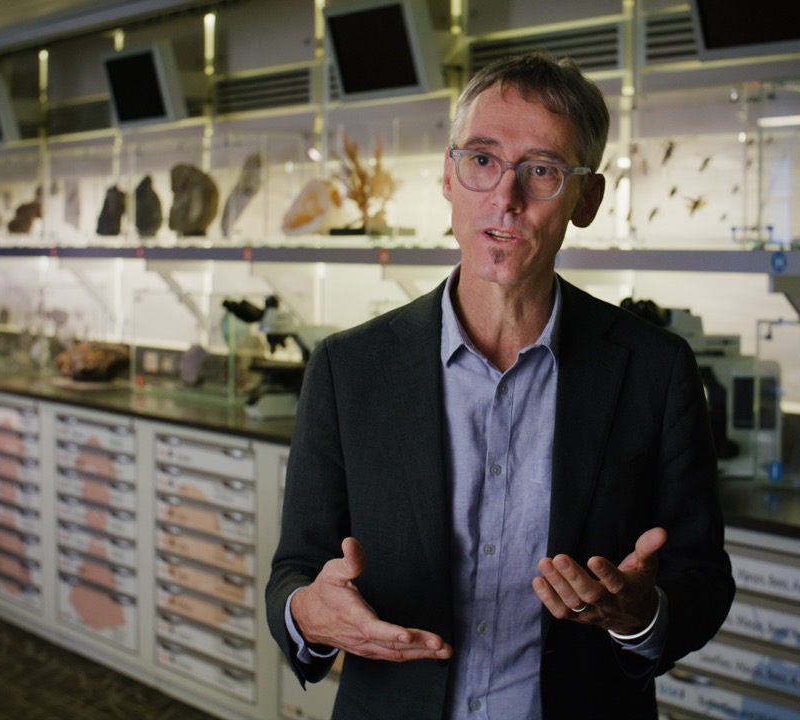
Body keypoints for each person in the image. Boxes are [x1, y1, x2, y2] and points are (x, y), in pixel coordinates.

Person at [265, 51, 734, 720]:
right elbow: (295, 570)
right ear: (448, 177)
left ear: (586, 199)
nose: (505, 198)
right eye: (482, 160)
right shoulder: (349, 369)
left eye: (542, 170)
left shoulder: (654, 370)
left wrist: (639, 615)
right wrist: (307, 614)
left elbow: (702, 580)